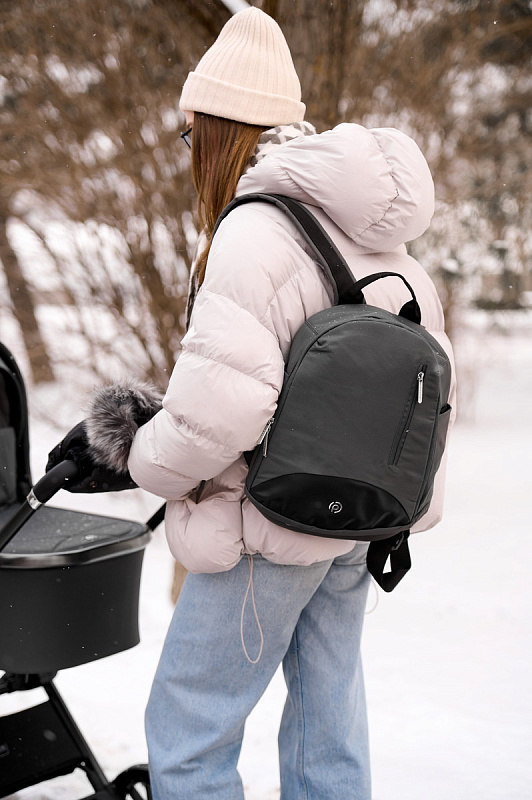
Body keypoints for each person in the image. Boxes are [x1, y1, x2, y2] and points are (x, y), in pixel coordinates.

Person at [51, 7, 456, 798]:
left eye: (188, 133)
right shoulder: (366, 229)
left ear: (216, 129)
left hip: (266, 526)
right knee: (326, 729)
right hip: (358, 518)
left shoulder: (256, 230)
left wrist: (137, 453)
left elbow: (224, 415)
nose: (187, 151)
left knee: (190, 728)